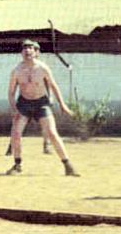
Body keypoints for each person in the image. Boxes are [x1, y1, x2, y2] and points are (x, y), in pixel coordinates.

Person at [6, 40, 79, 176]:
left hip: (41, 103)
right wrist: (14, 109)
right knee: (15, 133)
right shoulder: (16, 71)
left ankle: (68, 165)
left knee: (51, 132)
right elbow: (10, 92)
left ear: (36, 53)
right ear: (21, 53)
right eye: (24, 48)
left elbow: (54, 86)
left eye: (30, 48)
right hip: (24, 104)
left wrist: (62, 105)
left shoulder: (43, 68)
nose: (27, 51)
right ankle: (17, 165)